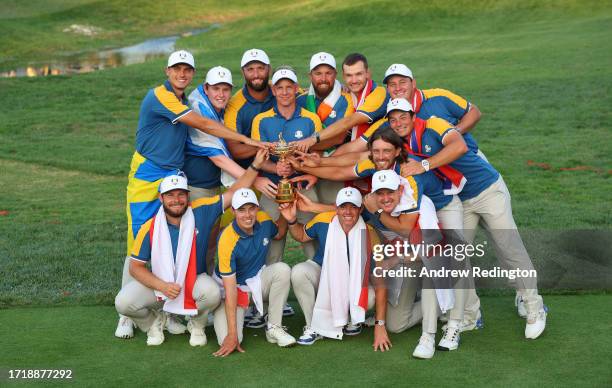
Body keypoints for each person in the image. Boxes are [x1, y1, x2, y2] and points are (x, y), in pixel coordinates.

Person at [116, 50, 265, 339]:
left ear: (192, 74)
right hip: (148, 175)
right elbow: (205, 125)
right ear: (167, 70)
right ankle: (126, 316)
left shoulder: (185, 100)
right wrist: (247, 140)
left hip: (173, 176)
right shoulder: (159, 96)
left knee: (174, 238)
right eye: (176, 69)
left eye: (186, 70)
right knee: (139, 239)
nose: (181, 74)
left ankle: (170, 310)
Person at [389, 98, 547, 340]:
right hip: (459, 201)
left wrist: (424, 164)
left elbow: (459, 146)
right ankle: (470, 316)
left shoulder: (433, 124)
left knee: (509, 248)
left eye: (403, 116)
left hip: (487, 190)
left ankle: (535, 308)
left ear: (413, 115)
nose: (399, 122)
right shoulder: (401, 145)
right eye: (393, 118)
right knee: (458, 259)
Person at [114, 148, 268, 346]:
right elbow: (135, 267)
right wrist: (162, 286)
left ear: (188, 196)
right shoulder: (150, 227)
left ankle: (196, 324)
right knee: (123, 302)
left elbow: (233, 193)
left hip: (194, 282)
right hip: (161, 286)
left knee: (212, 293)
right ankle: (154, 322)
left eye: (181, 195)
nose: (176, 200)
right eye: (170, 195)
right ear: (161, 199)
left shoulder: (201, 210)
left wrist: (255, 165)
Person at [183, 66, 275, 273]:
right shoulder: (199, 110)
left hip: (213, 186)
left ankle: (208, 285)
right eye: (216, 89)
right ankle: (193, 292)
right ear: (206, 88)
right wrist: (255, 179)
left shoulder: (218, 111)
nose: (221, 94)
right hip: (198, 187)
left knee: (210, 241)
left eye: (225, 89)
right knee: (197, 241)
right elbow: (220, 159)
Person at [279, 187, 392, 352]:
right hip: (324, 272)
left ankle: (351, 318)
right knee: (299, 272)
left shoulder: (369, 234)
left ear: (360, 209)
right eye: (343, 206)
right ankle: (313, 326)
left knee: (370, 298)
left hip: (355, 282)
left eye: (353, 207)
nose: (348, 212)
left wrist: (380, 326)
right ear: (336, 208)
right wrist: (291, 221)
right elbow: (302, 235)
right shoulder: (324, 219)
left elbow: (380, 284)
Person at [250, 66, 322, 265]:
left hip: (303, 186)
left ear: (296, 88)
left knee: (312, 234)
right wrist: (277, 169)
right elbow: (260, 159)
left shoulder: (310, 119)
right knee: (270, 235)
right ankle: (271, 282)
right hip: (273, 188)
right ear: (273, 90)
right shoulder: (261, 120)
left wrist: (298, 167)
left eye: (289, 87)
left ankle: (319, 279)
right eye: (279, 87)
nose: (284, 92)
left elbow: (317, 156)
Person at [212, 188, 295, 356]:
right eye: (241, 209)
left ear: (258, 208)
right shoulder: (227, 239)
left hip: (254, 284)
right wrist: (233, 334)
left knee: (282, 270)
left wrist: (286, 216)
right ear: (233, 211)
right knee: (227, 340)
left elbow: (278, 233)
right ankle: (220, 313)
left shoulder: (263, 220)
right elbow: (230, 290)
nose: (247, 214)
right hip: (231, 291)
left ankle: (274, 328)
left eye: (251, 208)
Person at [293, 53, 389, 157]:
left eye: (358, 74)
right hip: (350, 154)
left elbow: (349, 122)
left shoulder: (378, 93)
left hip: (372, 156)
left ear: (368, 73)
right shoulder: (347, 93)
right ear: (343, 76)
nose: (354, 80)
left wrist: (311, 141)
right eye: (349, 75)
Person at [295, 52, 354, 203]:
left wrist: (304, 145)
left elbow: (338, 137)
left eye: (328, 73)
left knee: (333, 211)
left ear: (335, 74)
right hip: (304, 166)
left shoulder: (347, 99)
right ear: (310, 75)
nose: (323, 78)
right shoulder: (300, 101)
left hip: (334, 166)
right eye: (318, 73)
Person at [223, 49, 277, 198]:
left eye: (261, 68)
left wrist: (341, 89)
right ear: (243, 72)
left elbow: (306, 94)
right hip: (248, 173)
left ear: (269, 69)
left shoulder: (279, 89)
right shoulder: (235, 105)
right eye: (250, 69)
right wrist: (267, 144)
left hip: (281, 168)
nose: (256, 74)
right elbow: (235, 150)